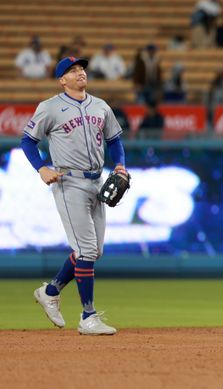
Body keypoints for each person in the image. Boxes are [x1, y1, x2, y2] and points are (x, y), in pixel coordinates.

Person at [24, 56, 128, 335]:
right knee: (86, 250)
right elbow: (28, 141)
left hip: (97, 180)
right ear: (62, 80)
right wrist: (41, 168)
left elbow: (115, 140)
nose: (80, 72)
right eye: (72, 70)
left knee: (94, 251)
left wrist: (120, 165)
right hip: (68, 181)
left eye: (81, 68)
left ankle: (50, 291)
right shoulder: (50, 107)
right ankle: (88, 316)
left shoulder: (100, 105)